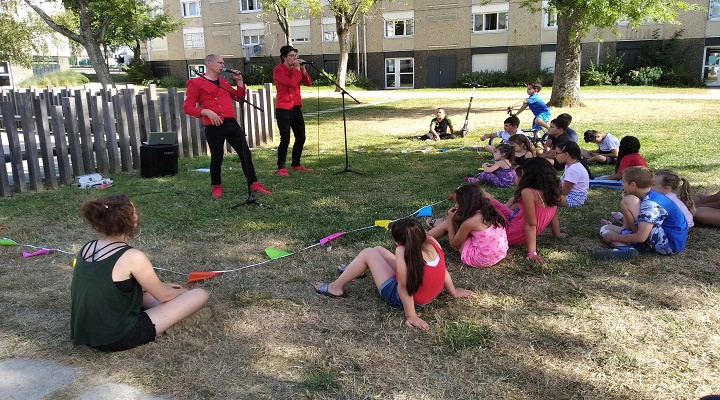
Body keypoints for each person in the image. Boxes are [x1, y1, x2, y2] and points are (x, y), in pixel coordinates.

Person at [71, 195, 210, 352]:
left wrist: (160, 287)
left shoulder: (87, 248)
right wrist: (181, 293)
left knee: (146, 295)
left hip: (88, 332)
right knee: (199, 294)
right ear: (132, 220)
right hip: (116, 337)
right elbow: (163, 296)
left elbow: (111, 286)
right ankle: (168, 322)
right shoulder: (132, 256)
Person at [313, 219, 474, 330]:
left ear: (398, 242)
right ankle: (356, 270)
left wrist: (411, 315)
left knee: (368, 252)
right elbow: (442, 270)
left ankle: (335, 287)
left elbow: (404, 287)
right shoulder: (433, 241)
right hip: (430, 292)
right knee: (377, 250)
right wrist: (453, 291)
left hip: (405, 297)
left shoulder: (402, 251)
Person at [183, 54, 272, 198]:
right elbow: (187, 107)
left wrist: (240, 82)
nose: (222, 65)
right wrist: (206, 112)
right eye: (219, 63)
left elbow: (239, 98)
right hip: (213, 125)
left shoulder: (223, 82)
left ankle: (253, 183)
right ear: (208, 63)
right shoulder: (196, 83)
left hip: (231, 122)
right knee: (217, 157)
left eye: (223, 63)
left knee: (245, 153)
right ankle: (216, 186)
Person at [595, 167, 688, 260]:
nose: (622, 184)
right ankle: (625, 248)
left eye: (623, 181)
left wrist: (613, 237)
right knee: (605, 228)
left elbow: (641, 237)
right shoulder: (648, 196)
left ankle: (625, 248)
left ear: (633, 185)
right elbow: (628, 227)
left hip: (669, 245)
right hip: (661, 237)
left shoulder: (651, 204)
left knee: (628, 201)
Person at [485, 157, 563, 264]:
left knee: (478, 212)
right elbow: (554, 213)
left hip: (513, 233)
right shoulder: (554, 188)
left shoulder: (528, 192)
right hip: (516, 223)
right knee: (486, 198)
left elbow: (531, 224)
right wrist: (557, 233)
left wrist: (532, 253)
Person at [426, 184, 509, 268]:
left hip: (481, 258)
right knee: (453, 223)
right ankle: (430, 232)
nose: (456, 205)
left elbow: (454, 244)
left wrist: (450, 220)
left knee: (448, 223)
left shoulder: (469, 222)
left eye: (458, 203)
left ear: (466, 204)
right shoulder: (489, 210)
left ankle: (422, 238)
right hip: (499, 254)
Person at [273, 44, 314, 176]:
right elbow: (290, 83)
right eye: (291, 56)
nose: (294, 58)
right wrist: (296, 69)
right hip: (283, 108)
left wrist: (303, 69)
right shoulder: (278, 70)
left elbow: (308, 83)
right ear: (284, 57)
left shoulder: (296, 69)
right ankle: (281, 167)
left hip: (296, 107)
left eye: (295, 55)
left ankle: (296, 164)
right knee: (285, 138)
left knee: (301, 137)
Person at [555, 141, 590, 208]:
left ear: (566, 154)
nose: (555, 155)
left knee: (547, 197)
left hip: (574, 199)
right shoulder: (570, 165)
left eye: (557, 153)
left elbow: (564, 192)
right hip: (572, 195)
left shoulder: (573, 170)